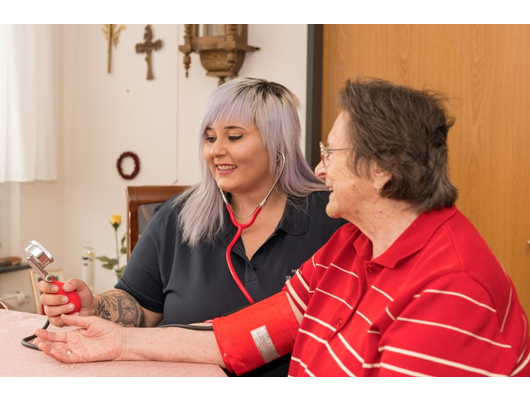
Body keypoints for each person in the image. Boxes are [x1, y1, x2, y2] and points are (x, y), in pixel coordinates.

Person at [35, 77, 530, 377]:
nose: (317, 170)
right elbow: (247, 336)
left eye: (330, 154)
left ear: (382, 170)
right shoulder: (352, 246)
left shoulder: (451, 286)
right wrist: (121, 340)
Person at [37, 77, 345, 377]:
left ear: (279, 145)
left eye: (234, 137)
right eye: (210, 138)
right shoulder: (176, 217)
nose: (215, 151)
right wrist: (95, 306)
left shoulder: (334, 217)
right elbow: (138, 304)